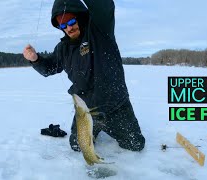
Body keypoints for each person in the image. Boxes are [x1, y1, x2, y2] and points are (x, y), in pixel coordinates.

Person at [23, 0, 145, 152]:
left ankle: (109, 127)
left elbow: (103, 5)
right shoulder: (63, 48)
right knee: (77, 146)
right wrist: (35, 59)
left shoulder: (100, 29)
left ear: (80, 16)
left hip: (116, 106)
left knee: (135, 145)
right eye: (63, 25)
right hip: (86, 110)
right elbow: (49, 68)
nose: (68, 28)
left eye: (71, 21)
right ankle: (96, 128)